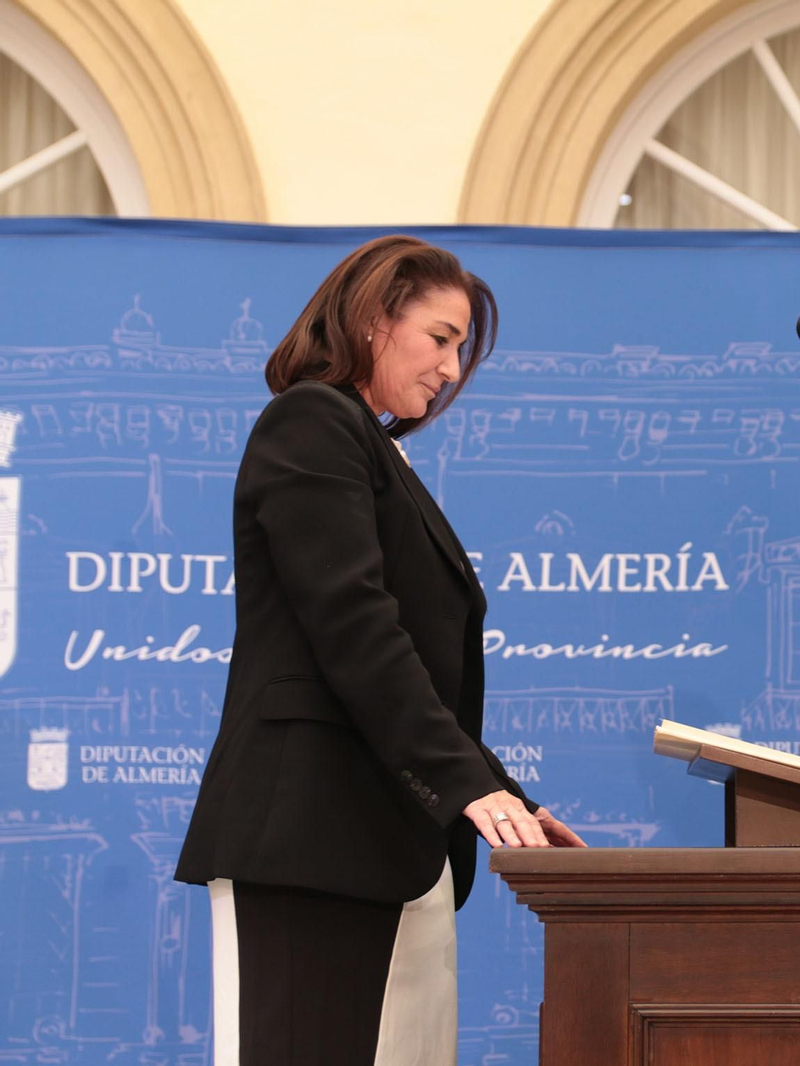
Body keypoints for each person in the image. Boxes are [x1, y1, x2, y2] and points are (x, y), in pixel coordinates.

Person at [176, 235, 585, 1066]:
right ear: (372, 321)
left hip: (394, 845)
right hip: (310, 846)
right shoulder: (311, 420)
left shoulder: (378, 451)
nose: (453, 368)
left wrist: (508, 799)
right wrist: (470, 786)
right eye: (441, 338)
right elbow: (354, 624)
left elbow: (420, 674)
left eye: (464, 349)